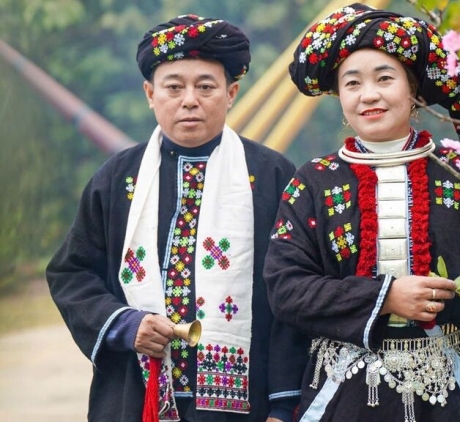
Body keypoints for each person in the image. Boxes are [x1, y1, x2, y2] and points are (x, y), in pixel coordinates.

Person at [264, 3, 460, 422]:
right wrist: (385, 297)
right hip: (343, 394)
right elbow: (286, 287)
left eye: (385, 78)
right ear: (338, 95)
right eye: (352, 83)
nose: (368, 94)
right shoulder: (312, 182)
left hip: (451, 392)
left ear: (413, 89)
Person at [46, 14, 301, 422]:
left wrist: (285, 407)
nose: (189, 100)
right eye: (174, 87)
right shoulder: (117, 179)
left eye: (206, 87)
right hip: (135, 397)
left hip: (248, 404)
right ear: (150, 94)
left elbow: (293, 289)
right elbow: (71, 273)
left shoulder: (272, 176)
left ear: (231, 93)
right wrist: (126, 325)